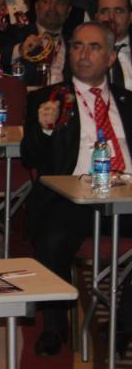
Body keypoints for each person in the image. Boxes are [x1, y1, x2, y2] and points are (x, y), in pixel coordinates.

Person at [21, 21, 132, 356]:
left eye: (94, 47)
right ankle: (54, 326)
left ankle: (123, 324)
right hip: (71, 199)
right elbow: (30, 157)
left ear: (110, 57)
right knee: (52, 237)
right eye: (77, 46)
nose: (83, 54)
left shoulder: (128, 102)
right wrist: (44, 128)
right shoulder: (47, 98)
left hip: (126, 196)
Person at [1, 0, 76, 86]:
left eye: (60, 3)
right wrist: (20, 49)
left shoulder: (75, 41)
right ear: (37, 7)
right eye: (46, 1)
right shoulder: (16, 33)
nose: (52, 8)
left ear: (68, 10)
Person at [95, 0, 132, 90]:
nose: (111, 17)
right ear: (96, 17)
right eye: (104, 11)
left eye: (118, 11)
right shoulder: (81, 53)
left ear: (130, 17)